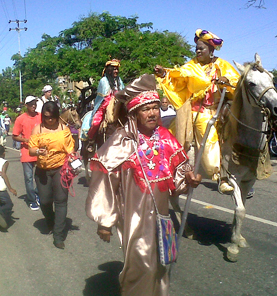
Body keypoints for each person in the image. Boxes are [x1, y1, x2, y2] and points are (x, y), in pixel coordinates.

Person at [86, 74, 201, 296]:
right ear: (134, 113)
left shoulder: (166, 137)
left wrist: (190, 179)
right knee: (139, 264)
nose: (152, 113)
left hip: (163, 216)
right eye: (145, 109)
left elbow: (180, 172)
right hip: (134, 216)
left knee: (160, 264)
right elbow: (105, 182)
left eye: (155, 108)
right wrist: (105, 221)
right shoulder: (122, 141)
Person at [154, 29, 239, 193]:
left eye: (202, 48)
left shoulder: (222, 65)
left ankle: (221, 177)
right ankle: (163, 169)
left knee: (210, 139)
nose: (198, 51)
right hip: (190, 111)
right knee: (169, 136)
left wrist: (225, 81)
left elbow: (236, 81)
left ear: (211, 50)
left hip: (211, 111)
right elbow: (178, 74)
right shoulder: (191, 65)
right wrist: (165, 73)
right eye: (197, 49)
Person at [29, 101, 75, 249]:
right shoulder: (38, 129)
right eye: (47, 117)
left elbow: (70, 149)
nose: (50, 120)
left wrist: (74, 160)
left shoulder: (64, 129)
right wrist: (37, 151)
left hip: (60, 168)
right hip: (42, 170)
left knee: (61, 200)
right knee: (45, 200)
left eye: (53, 117)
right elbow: (31, 150)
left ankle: (58, 235)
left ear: (57, 116)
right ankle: (51, 220)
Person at [81, 59, 125, 142]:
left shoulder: (119, 80)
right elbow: (103, 97)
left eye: (117, 69)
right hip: (105, 105)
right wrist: (111, 100)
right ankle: (91, 140)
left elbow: (123, 92)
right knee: (96, 122)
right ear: (109, 70)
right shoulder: (103, 81)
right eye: (114, 69)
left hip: (118, 103)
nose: (116, 71)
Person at [12, 96, 42, 211]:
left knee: (40, 177)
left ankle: (38, 195)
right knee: (29, 178)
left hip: (40, 151)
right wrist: (25, 140)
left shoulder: (40, 116)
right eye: (31, 104)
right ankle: (31, 200)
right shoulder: (20, 119)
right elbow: (15, 136)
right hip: (27, 152)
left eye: (34, 103)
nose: (33, 106)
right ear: (26, 106)